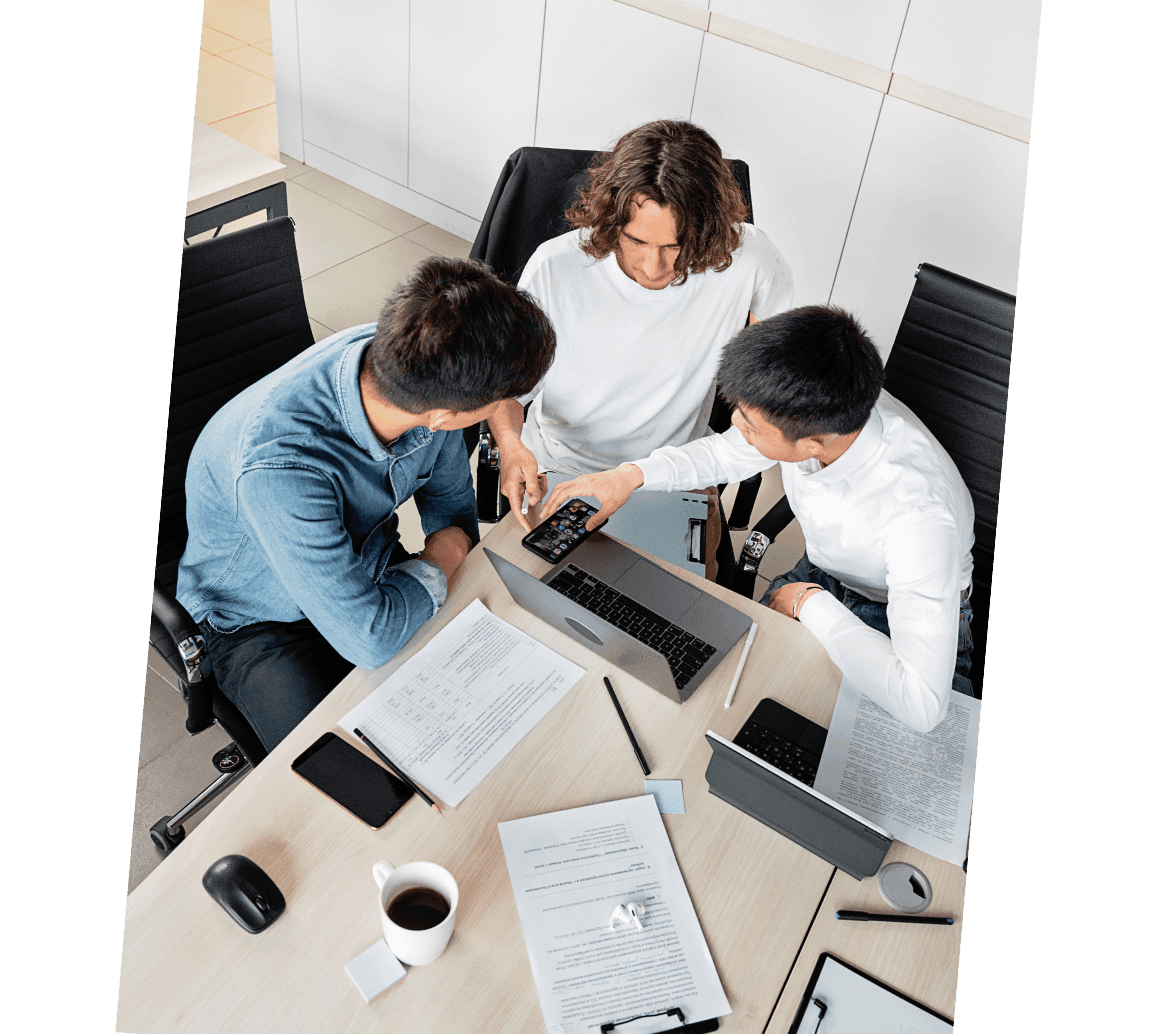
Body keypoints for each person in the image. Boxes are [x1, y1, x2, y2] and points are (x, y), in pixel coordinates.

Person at [177, 257, 557, 751]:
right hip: (256, 621)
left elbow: (453, 513)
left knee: (490, 709)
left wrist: (447, 546)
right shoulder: (280, 470)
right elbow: (372, 636)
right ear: (444, 417)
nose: (507, 413)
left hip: (370, 567)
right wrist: (442, 556)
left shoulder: (415, 371)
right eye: (499, 405)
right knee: (355, 774)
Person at [542, 307, 975, 734]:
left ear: (810, 445)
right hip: (827, 572)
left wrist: (809, 602)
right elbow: (725, 453)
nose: (734, 423)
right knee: (725, 699)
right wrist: (629, 476)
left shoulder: (918, 518)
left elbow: (922, 705)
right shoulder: (823, 403)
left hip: (893, 610)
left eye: (748, 424)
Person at [485, 120, 794, 560]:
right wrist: (511, 444)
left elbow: (770, 409)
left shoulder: (754, 260)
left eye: (677, 244)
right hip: (561, 469)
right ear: (611, 219)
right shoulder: (555, 267)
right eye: (636, 240)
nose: (654, 267)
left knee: (662, 618)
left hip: (671, 473)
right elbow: (506, 391)